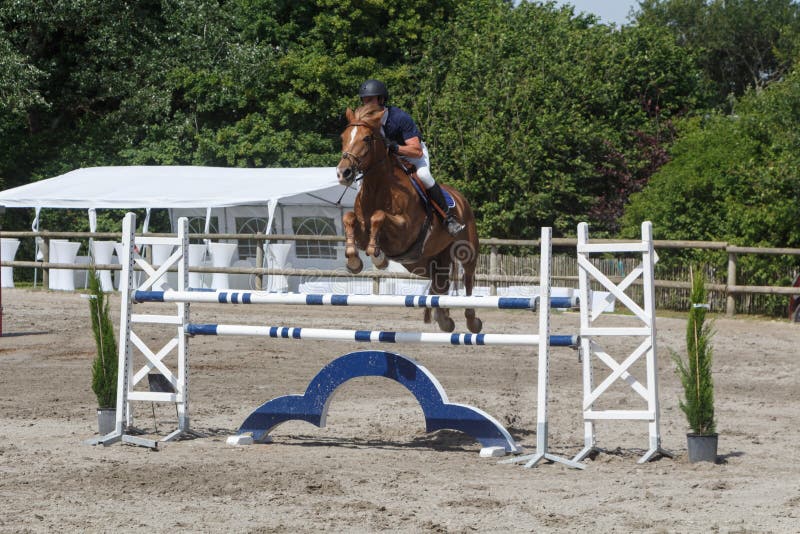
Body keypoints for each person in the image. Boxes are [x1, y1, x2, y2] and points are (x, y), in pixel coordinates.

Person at [358, 79, 465, 236]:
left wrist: (394, 147)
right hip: (389, 160)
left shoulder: (399, 118)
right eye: (364, 100)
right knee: (362, 180)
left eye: (370, 99)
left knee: (424, 175)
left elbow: (416, 151)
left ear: (381, 100)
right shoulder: (366, 122)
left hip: (412, 156)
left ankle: (448, 218)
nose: (366, 104)